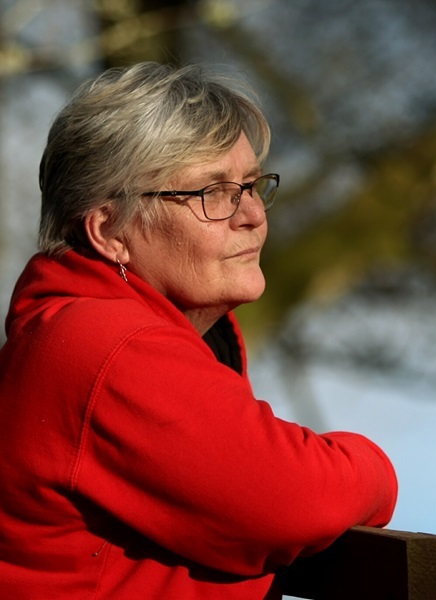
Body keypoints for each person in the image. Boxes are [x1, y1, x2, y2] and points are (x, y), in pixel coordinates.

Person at [0, 62, 398, 598]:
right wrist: (372, 466)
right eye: (213, 193)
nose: (253, 214)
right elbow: (294, 499)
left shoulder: (78, 330)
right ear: (109, 231)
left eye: (252, 185)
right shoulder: (109, 345)